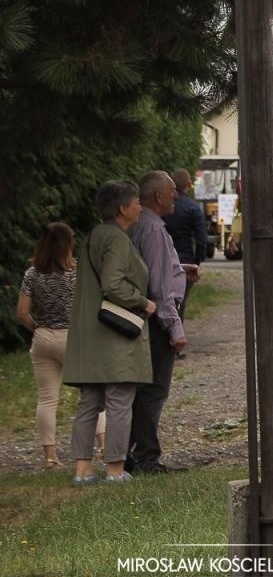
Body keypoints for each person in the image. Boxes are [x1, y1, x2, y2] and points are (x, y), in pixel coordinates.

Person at [62, 180, 156, 486]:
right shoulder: (116, 239)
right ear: (122, 209)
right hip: (114, 334)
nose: (140, 206)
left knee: (90, 401)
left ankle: (82, 470)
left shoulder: (92, 236)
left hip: (89, 332)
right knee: (119, 400)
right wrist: (144, 302)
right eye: (136, 202)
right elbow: (112, 284)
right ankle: (115, 469)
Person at [16, 223, 103, 468]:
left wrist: (38, 328)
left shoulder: (32, 273)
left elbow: (22, 313)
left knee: (47, 399)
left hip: (43, 338)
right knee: (92, 394)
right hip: (74, 338)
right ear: (68, 243)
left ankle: (50, 457)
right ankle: (105, 445)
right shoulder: (78, 271)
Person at [127, 171, 190, 475]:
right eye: (172, 191)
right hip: (155, 322)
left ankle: (129, 454)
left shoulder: (143, 226)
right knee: (153, 390)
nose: (176, 195)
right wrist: (175, 329)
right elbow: (160, 288)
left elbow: (160, 271)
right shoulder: (152, 230)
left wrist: (180, 269)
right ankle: (146, 458)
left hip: (145, 319)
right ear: (157, 196)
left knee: (141, 389)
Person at [163, 168, 208, 307]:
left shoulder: (162, 206)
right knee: (179, 304)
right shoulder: (193, 208)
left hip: (163, 258)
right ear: (189, 183)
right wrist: (197, 262)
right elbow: (201, 239)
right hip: (185, 259)